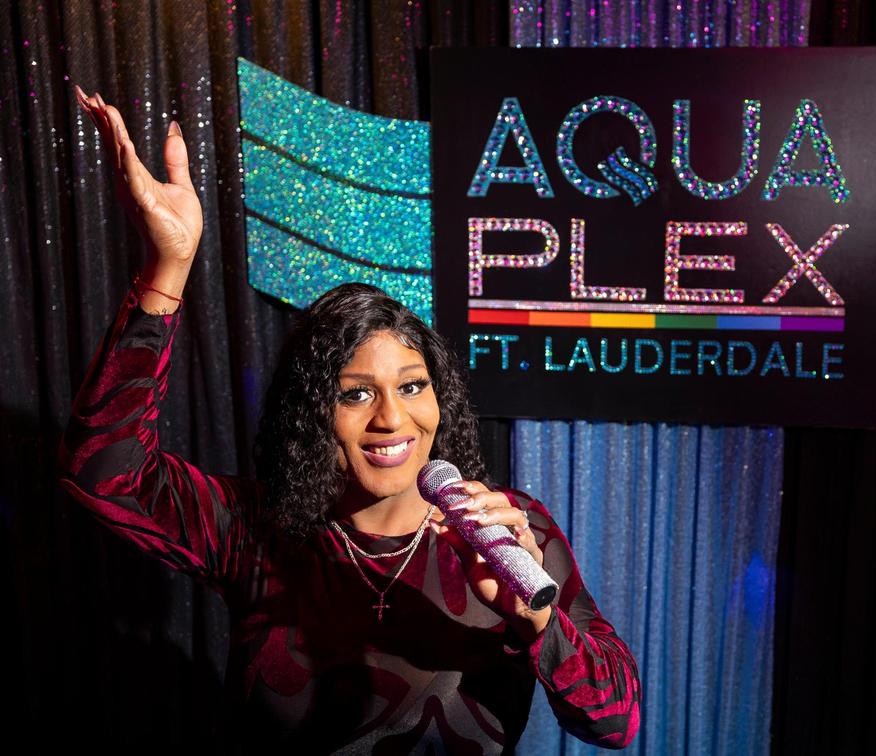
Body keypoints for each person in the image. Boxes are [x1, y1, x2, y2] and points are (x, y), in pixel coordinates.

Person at [60, 87, 641, 753]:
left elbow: (615, 722)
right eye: (355, 394)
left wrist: (533, 616)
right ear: (312, 413)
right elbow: (102, 474)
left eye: (412, 386)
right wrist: (167, 269)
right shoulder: (257, 530)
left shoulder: (512, 534)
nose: (393, 418)